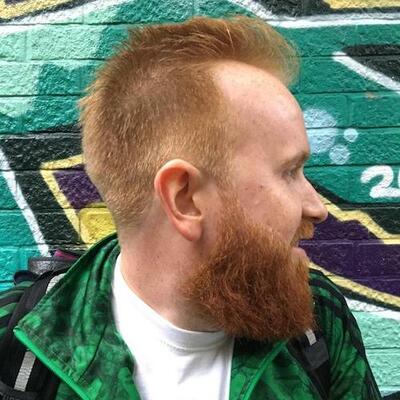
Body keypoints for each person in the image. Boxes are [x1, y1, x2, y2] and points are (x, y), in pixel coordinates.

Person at [0, 16, 381, 400]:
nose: (317, 208)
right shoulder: (18, 344)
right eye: (289, 172)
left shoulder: (316, 322)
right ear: (184, 198)